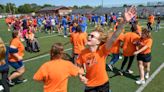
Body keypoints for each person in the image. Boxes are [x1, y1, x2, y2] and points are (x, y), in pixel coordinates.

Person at [76, 6, 137, 92]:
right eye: (89, 35)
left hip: (103, 84)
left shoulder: (102, 50)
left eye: (92, 36)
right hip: (89, 85)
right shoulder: (83, 53)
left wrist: (124, 22)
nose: (89, 36)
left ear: (98, 42)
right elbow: (79, 67)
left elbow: (113, 37)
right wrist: (81, 75)